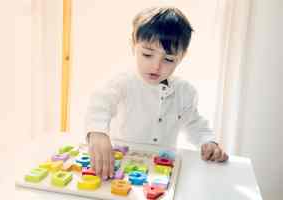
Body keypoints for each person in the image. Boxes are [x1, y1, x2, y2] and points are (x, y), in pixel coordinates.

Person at [84, 6, 228, 180]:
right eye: (147, 54)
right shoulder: (121, 83)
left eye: (168, 59)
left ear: (181, 57)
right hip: (120, 166)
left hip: (160, 170)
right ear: (133, 46)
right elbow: (100, 103)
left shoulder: (185, 92)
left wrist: (208, 142)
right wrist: (97, 132)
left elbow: (195, 124)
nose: (156, 66)